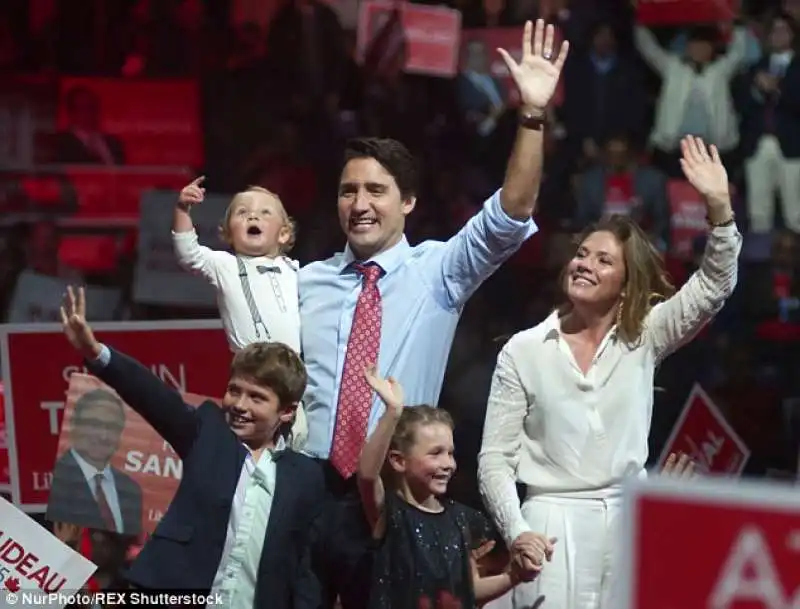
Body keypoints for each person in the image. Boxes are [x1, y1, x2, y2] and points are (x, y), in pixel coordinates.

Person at [302, 19, 568, 609]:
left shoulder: (439, 272)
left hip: (393, 500)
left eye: (376, 191)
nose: (360, 204)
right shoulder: (306, 282)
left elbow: (510, 214)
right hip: (305, 490)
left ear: (409, 203)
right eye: (349, 191)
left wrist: (530, 116)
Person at [477, 135, 741, 608]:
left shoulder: (645, 336)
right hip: (549, 523)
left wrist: (719, 207)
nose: (584, 264)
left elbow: (715, 285)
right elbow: (494, 461)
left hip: (627, 518)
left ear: (626, 281)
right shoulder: (525, 349)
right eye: (581, 254)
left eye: (603, 260)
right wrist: (518, 532)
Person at [59, 286, 325, 609]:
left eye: (256, 398)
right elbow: (153, 396)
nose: (239, 404)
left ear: (286, 411)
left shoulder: (306, 476)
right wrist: (96, 352)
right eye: (234, 390)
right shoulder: (209, 432)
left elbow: (306, 568)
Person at [357, 366, 552, 608]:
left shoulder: (460, 519)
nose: (447, 463)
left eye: (450, 453)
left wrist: (513, 576)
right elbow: (367, 476)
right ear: (398, 461)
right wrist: (393, 412)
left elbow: (470, 591)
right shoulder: (391, 515)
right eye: (435, 453)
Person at [172, 178, 307, 448]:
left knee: (299, 441)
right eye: (242, 212)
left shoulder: (296, 271)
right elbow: (189, 254)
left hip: (295, 373)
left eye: (264, 212)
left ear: (283, 234)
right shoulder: (226, 266)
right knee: (250, 441)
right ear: (229, 234)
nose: (253, 215)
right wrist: (182, 210)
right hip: (252, 370)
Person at [47, 389, 143, 536]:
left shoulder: (131, 490)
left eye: (111, 427)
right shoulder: (54, 481)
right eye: (94, 424)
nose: (103, 436)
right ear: (73, 425)